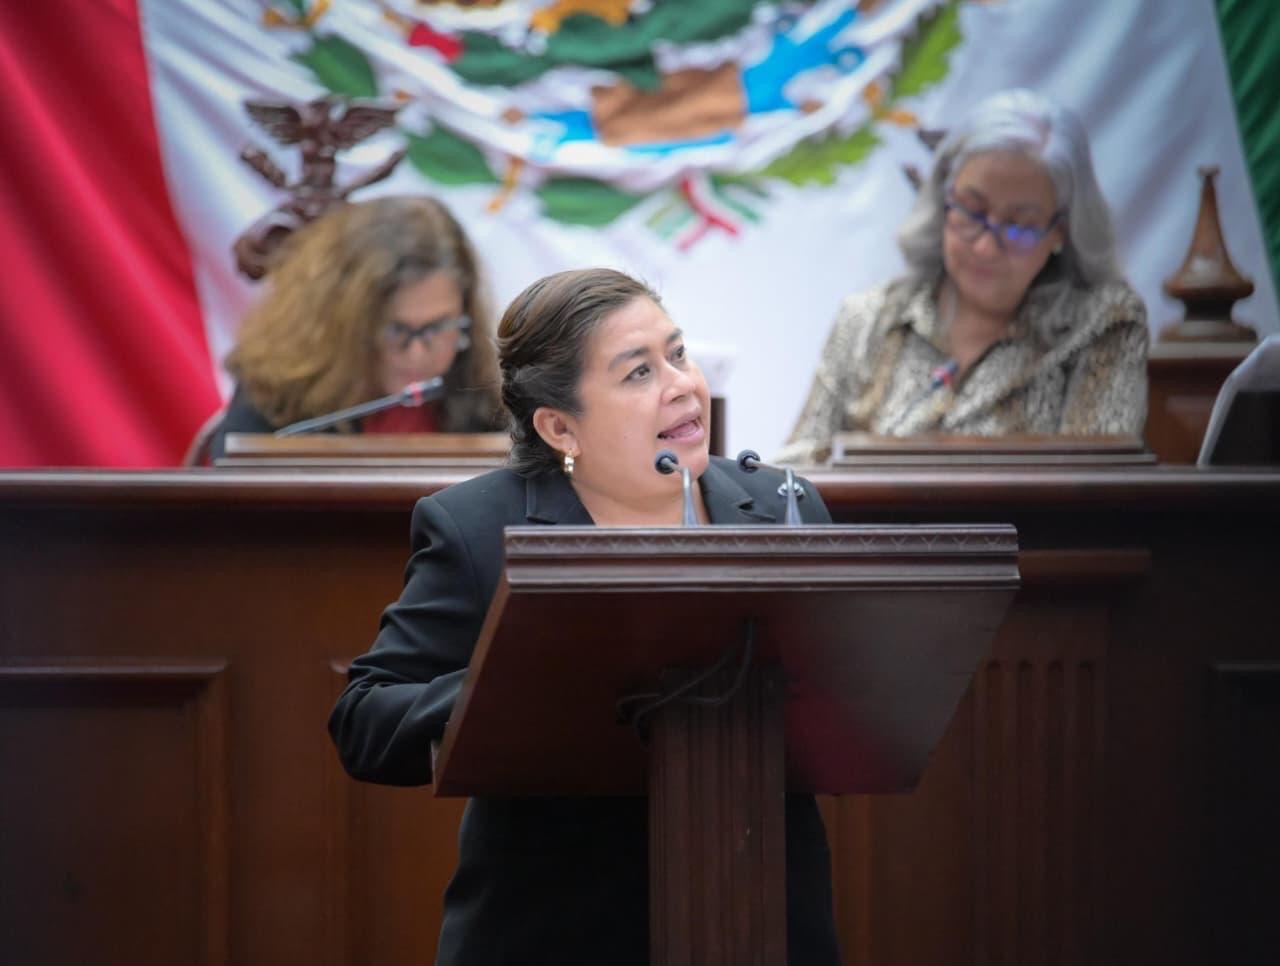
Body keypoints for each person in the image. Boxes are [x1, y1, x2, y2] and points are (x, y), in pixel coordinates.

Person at [328, 268, 842, 965]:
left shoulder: (784, 507)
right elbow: (365, 721)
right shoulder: (479, 528)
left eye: (678, 354)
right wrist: (510, 681)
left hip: (762, 919)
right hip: (554, 932)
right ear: (560, 427)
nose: (681, 384)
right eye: (639, 373)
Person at [779, 88, 1149, 464]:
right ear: (943, 197)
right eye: (972, 211)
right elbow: (794, 473)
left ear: (1061, 231)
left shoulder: (1103, 322)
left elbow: (1096, 484)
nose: (986, 247)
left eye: (1019, 226)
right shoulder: (868, 318)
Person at [207, 195, 502, 458]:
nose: (416, 354)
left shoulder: (489, 397)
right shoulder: (277, 391)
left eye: (436, 328)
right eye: (395, 330)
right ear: (346, 324)